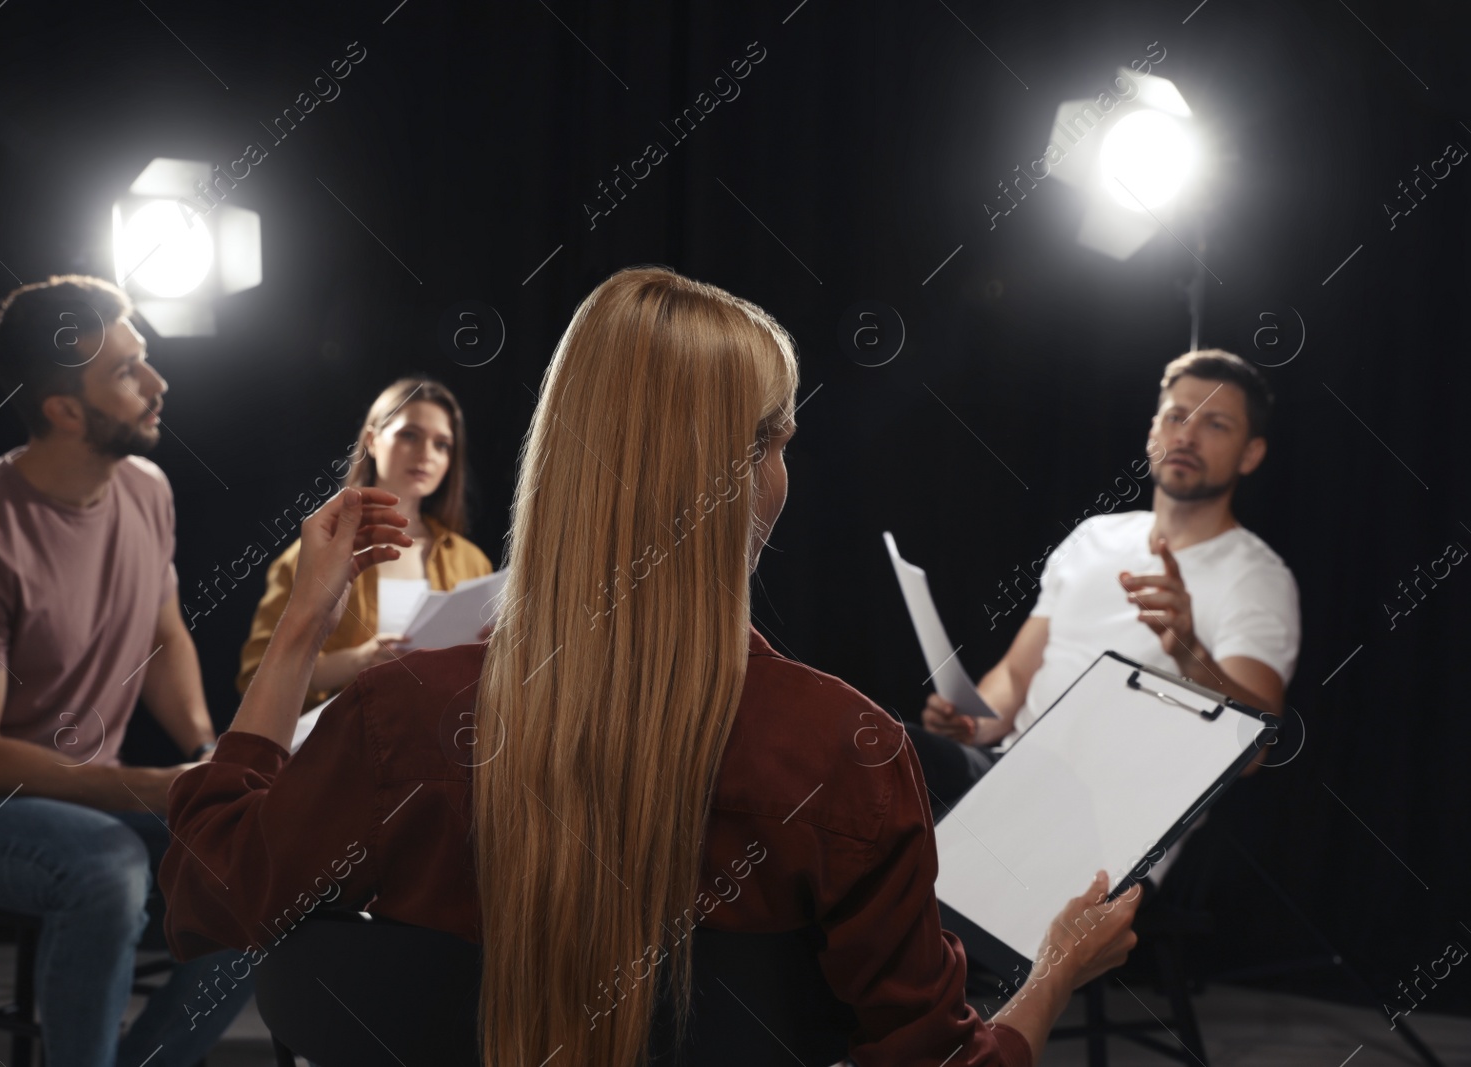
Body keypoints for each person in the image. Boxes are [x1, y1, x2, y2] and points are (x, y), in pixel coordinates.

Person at [157, 267, 1140, 1066]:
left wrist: (299, 630)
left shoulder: (399, 717)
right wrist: (1050, 970)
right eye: (779, 441)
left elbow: (214, 894)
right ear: (749, 469)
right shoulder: (849, 754)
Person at [0, 275, 255, 1067]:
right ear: (63, 409)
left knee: (254, 858)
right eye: (125, 372)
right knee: (108, 868)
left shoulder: (146, 490)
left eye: (144, 358)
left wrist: (208, 758)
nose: (157, 383)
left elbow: (163, 632)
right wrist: (153, 789)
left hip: (86, 798)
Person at [915, 350, 1300, 814]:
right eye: (1176, 416)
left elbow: (1252, 750)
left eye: (1215, 424)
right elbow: (1017, 676)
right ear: (1153, 431)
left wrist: (1189, 653)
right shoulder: (1096, 534)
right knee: (874, 753)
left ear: (1251, 453)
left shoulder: (1257, 577)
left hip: (1111, 816)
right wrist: (972, 725)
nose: (1187, 435)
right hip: (1005, 772)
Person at [236, 377, 494, 712]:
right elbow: (258, 676)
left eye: (442, 444)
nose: (425, 454)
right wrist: (359, 660)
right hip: (336, 751)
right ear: (372, 440)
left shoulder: (472, 561)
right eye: (409, 435)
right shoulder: (315, 553)